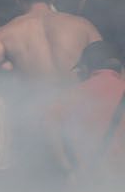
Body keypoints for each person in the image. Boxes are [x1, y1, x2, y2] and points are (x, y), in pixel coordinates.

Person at [49, 40, 125, 178]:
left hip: (90, 181)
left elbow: (49, 124)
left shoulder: (73, 94)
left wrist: (67, 167)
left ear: (86, 68)